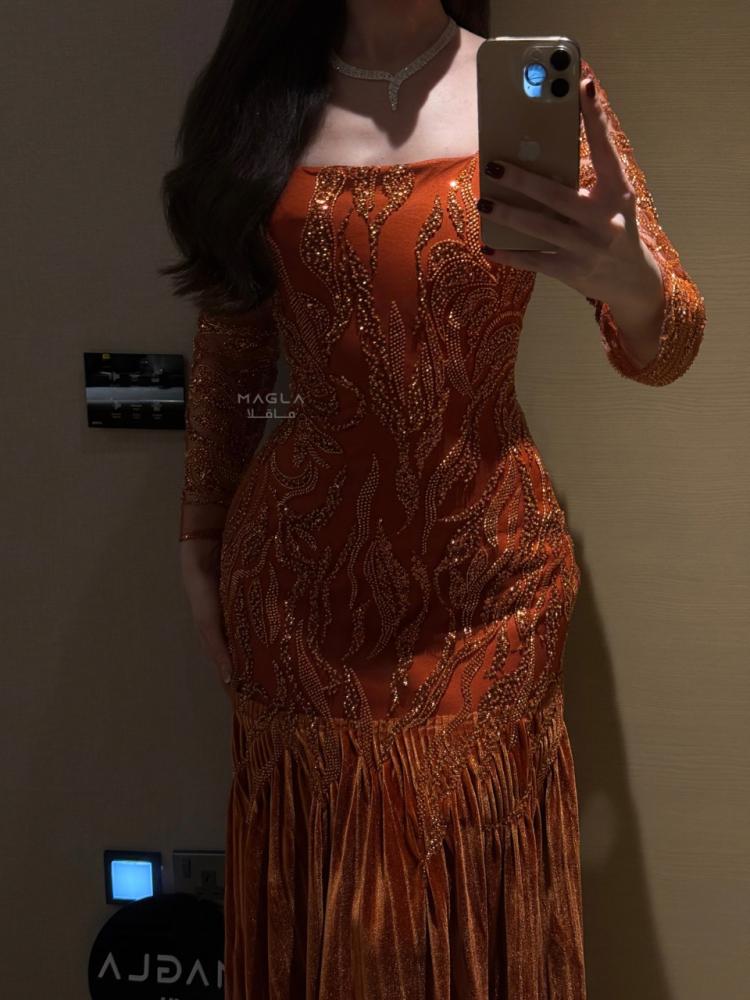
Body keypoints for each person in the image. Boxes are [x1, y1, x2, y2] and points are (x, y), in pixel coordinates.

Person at [163, 1, 706, 996]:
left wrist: (628, 277)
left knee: (473, 914)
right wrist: (198, 537)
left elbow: (669, 344)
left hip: (492, 590)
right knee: (330, 925)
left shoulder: (534, 90)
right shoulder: (262, 96)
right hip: (298, 599)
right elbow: (233, 339)